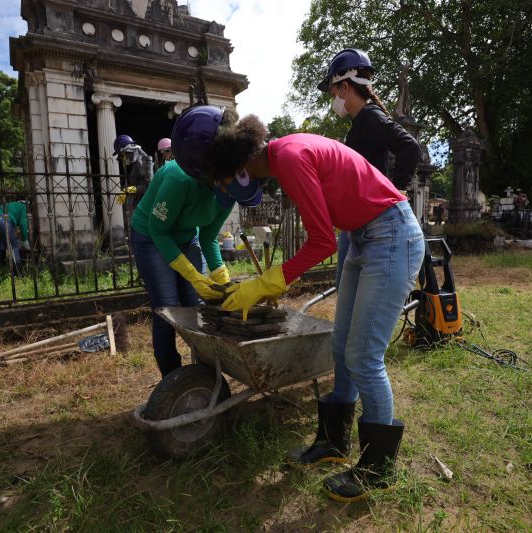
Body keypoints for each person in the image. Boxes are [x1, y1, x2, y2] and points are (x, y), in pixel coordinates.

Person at [171, 108, 425, 503]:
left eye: (219, 178)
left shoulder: (289, 158)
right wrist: (270, 281)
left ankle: (379, 470)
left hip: (391, 236)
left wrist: (266, 282)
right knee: (342, 346)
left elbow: (320, 241)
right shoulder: (284, 153)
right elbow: (330, 229)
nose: (221, 188)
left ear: (236, 167)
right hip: (363, 237)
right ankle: (333, 443)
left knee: (364, 357)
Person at [130, 107, 263, 378]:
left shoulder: (229, 188)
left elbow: (208, 236)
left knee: (199, 304)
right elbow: (159, 232)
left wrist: (220, 276)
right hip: (152, 238)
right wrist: (193, 274)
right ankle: (173, 379)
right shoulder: (178, 179)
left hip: (186, 236)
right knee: (168, 308)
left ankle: (204, 374)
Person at [317, 49, 422, 287]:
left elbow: (410, 147)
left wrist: (396, 191)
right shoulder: (360, 122)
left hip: (368, 223)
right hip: (355, 223)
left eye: (333, 91)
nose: (332, 98)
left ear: (345, 87)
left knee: (350, 292)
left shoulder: (370, 117)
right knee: (346, 291)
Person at [0, 199, 30, 274]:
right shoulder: (23, 207)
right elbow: (23, 224)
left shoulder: (10, 204)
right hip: (2, 221)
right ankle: (18, 275)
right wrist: (25, 241)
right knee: (13, 248)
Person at [113, 134, 152, 224]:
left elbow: (149, 186)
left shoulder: (141, 161)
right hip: (140, 206)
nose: (121, 159)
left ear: (127, 151)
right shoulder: (136, 162)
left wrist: (128, 190)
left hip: (145, 207)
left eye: (121, 155)